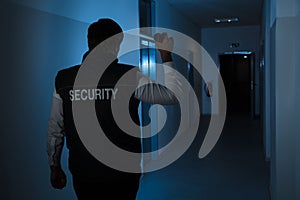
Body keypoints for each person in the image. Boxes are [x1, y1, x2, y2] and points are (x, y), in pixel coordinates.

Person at [46, 18, 179, 200]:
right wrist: (165, 54)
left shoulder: (64, 79)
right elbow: (171, 95)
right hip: (123, 173)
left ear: (89, 41)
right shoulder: (130, 76)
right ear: (116, 44)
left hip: (84, 172)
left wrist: (54, 165)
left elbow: (55, 129)